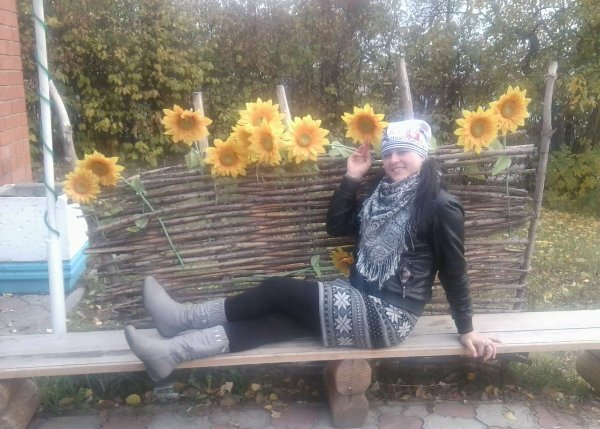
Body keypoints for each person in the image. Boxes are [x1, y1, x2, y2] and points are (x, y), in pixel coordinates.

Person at [124, 119, 499, 382]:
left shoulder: (440, 206)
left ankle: (181, 319)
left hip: (389, 315)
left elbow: (454, 271)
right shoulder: (379, 195)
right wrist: (352, 178)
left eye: (403, 152)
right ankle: (172, 352)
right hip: (356, 296)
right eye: (388, 153)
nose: (393, 160)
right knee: (278, 322)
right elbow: (337, 227)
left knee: (276, 291)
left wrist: (466, 329)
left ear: (423, 155)